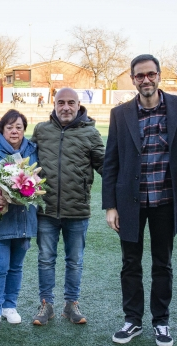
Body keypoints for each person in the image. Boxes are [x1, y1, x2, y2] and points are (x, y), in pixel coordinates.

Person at [102, 54, 177, 346]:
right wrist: (111, 206)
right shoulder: (121, 114)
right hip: (130, 202)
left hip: (166, 200)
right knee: (130, 263)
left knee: (162, 263)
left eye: (150, 74)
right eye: (139, 75)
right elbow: (111, 162)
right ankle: (133, 320)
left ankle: (161, 322)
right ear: (132, 79)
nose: (146, 79)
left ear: (159, 76)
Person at [30, 87, 104, 325]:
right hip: (46, 209)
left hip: (78, 210)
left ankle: (71, 304)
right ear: (54, 104)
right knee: (45, 259)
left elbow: (106, 167)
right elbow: (25, 161)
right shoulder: (41, 130)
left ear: (78, 104)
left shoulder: (91, 133)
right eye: (61, 102)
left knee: (75, 261)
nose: (66, 107)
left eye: (71, 102)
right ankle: (46, 305)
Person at [0, 109, 38, 331]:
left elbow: (39, 182)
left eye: (19, 127)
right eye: (10, 127)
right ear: (1, 129)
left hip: (23, 220)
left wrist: (31, 190)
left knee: (16, 267)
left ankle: (9, 306)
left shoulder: (33, 151)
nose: (14, 131)